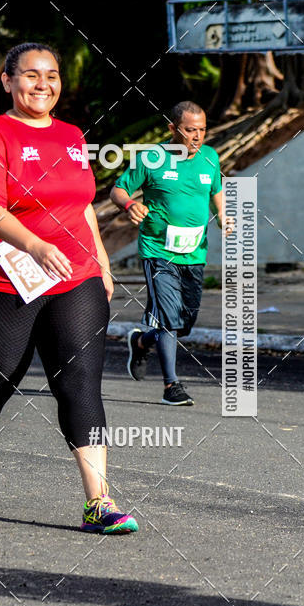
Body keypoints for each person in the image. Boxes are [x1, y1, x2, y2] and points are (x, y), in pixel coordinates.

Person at [0, 42, 138, 534]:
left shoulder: (71, 136)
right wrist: (34, 246)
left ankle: (99, 502)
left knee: (79, 382)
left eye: (51, 75)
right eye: (30, 75)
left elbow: (84, 205)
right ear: (8, 81)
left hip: (75, 276)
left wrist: (103, 265)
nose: (42, 84)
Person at [110, 101, 229, 406]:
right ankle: (170, 386)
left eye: (202, 129)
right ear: (173, 129)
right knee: (169, 318)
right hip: (158, 250)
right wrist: (130, 205)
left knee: (185, 322)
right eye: (190, 130)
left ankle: (140, 341)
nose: (197, 136)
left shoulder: (210, 157)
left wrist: (223, 215)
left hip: (194, 252)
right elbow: (118, 190)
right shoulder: (152, 158)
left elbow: (216, 190)